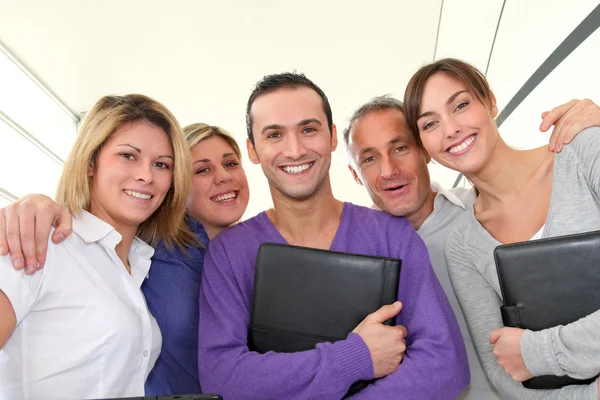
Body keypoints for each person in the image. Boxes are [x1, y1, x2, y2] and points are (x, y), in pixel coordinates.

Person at [197, 72, 469, 400]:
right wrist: (354, 358)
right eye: (274, 135)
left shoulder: (391, 234)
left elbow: (445, 365)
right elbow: (222, 378)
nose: (295, 150)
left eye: (308, 130)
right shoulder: (228, 253)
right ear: (253, 150)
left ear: (332, 137)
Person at [343, 95, 600, 399]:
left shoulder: (481, 215)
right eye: (369, 158)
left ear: (425, 150)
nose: (388, 170)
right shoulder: (352, 263)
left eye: (400, 148)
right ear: (355, 174)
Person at [0, 122, 251, 396]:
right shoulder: (49, 242)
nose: (145, 175)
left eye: (161, 164)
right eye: (128, 156)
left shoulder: (138, 259)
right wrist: (35, 205)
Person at [143, 123, 250, 395]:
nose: (224, 176)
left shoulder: (260, 253)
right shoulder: (150, 251)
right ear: (175, 186)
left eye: (231, 163)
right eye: (203, 170)